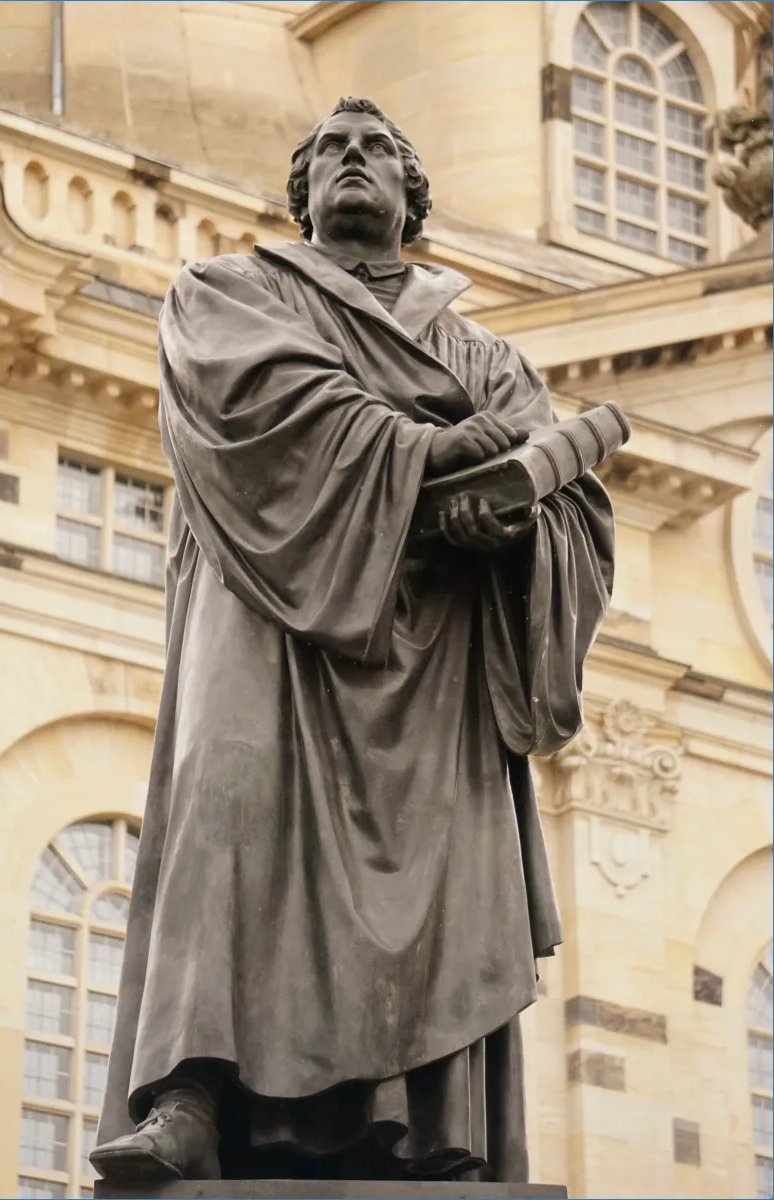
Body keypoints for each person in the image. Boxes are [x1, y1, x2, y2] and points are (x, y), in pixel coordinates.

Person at [91, 96, 614, 1185]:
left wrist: (512, 517)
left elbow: (567, 502)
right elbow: (263, 407)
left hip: (434, 659)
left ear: (410, 196)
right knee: (223, 802)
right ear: (303, 190)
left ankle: (431, 1130)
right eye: (330, 149)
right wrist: (432, 451)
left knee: (438, 863)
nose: (352, 160)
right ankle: (190, 1095)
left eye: (377, 149)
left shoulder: (485, 352)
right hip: (268, 614)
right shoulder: (227, 292)